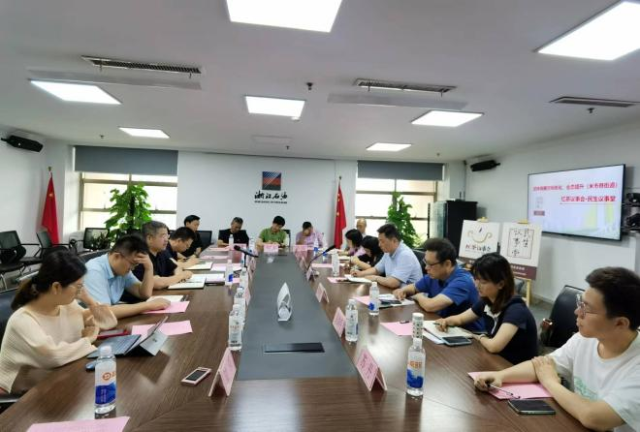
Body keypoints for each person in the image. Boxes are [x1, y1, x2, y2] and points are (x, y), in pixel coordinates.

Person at [473, 267, 640, 432]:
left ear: (620, 323)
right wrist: (501, 376)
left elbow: (594, 418)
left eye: (586, 308)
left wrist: (550, 382)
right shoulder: (585, 339)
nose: (577, 311)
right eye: (580, 303)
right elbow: (543, 365)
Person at [0, 250, 106, 393]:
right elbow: (54, 357)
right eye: (78, 286)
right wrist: (88, 339)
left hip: (58, 379)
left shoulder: (67, 306)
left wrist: (90, 301)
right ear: (56, 287)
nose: (80, 291)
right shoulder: (22, 320)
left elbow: (106, 322)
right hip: (23, 396)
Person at [435, 253, 537, 364]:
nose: (477, 285)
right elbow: (460, 319)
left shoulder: (516, 310)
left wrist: (479, 337)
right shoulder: (487, 300)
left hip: (514, 366)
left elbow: (494, 346)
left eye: (483, 282)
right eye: (476, 279)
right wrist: (446, 321)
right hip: (496, 359)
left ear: (501, 284)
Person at [393, 238, 484, 332]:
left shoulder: (463, 281)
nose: (426, 268)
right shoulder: (435, 275)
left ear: (447, 264)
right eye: (425, 262)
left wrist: (418, 296)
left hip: (467, 335)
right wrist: (402, 291)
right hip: (442, 328)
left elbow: (430, 306)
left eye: (430, 264)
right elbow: (413, 288)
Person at [84, 234, 171, 318]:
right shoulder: (94, 272)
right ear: (117, 256)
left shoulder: (121, 269)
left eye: (136, 265)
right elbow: (104, 313)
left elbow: (144, 294)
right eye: (132, 263)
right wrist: (148, 305)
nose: (132, 268)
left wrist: (149, 268)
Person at [352, 224, 422, 289]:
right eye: (379, 241)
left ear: (394, 241)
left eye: (382, 241)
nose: (379, 245)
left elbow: (393, 283)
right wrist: (360, 274)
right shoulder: (388, 252)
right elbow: (377, 270)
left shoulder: (405, 255)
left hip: (410, 296)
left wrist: (375, 278)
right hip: (395, 292)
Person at [132, 221, 193, 289]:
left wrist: (179, 277)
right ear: (149, 239)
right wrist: (180, 276)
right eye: (163, 236)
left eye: (167, 236)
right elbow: (157, 283)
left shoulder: (162, 252)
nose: (166, 240)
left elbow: (175, 267)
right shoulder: (141, 256)